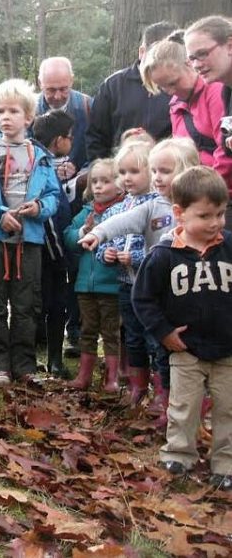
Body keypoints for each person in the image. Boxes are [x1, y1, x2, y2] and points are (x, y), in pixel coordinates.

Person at [79, 138, 199, 426]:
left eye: (165, 171)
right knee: (136, 339)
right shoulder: (153, 205)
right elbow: (125, 221)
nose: (158, 177)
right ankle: (142, 390)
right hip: (140, 289)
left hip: (176, 293)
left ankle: (168, 398)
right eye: (155, 170)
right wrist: (100, 234)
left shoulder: (192, 208)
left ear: (187, 172)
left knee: (165, 345)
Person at [132, 166, 232, 491]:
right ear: (179, 213)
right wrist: (163, 332)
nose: (215, 222)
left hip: (227, 348)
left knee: (228, 409)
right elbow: (143, 298)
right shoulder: (163, 256)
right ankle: (179, 455)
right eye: (205, 216)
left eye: (221, 213)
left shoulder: (229, 248)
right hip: (185, 348)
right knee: (183, 407)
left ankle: (226, 463)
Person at [0, 79, 61, 387]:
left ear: (28, 117)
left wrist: (39, 208)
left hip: (29, 240)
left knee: (26, 305)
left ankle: (24, 365)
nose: (5, 117)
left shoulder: (42, 156)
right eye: (0, 111)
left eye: (13, 111)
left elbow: (53, 196)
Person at [94, 140, 157, 406]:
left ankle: (161, 393)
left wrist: (138, 258)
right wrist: (106, 254)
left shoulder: (159, 206)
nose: (127, 178)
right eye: (122, 172)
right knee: (132, 337)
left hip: (152, 287)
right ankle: (137, 388)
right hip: (125, 285)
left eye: (134, 171)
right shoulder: (118, 208)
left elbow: (163, 245)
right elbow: (104, 239)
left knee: (154, 338)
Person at [141, 32, 232, 187]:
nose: (170, 92)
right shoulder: (175, 105)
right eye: (163, 87)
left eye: (173, 83)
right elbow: (180, 156)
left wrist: (205, 191)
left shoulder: (215, 91)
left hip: (218, 192)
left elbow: (226, 151)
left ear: (189, 64)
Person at [64, 159, 124, 391]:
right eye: (95, 181)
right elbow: (68, 237)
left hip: (111, 286)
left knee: (110, 332)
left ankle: (112, 378)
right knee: (87, 330)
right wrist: (83, 232)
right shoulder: (87, 212)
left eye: (105, 181)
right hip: (85, 286)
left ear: (119, 185)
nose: (98, 186)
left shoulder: (124, 211)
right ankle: (84, 376)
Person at [86, 21, 177, 160]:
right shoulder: (113, 86)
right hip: (120, 173)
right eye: (159, 56)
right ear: (142, 52)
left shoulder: (181, 86)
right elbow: (96, 137)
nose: (164, 63)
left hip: (167, 171)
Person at [31, 110, 74, 378]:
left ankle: (52, 358)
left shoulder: (40, 158)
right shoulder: (42, 164)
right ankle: (53, 361)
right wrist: (61, 255)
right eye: (69, 138)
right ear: (58, 140)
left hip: (46, 247)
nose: (71, 142)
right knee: (54, 303)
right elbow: (49, 213)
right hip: (49, 250)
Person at [184, 16, 232, 230]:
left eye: (202, 54)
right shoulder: (226, 92)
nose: (197, 65)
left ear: (229, 45)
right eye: (191, 58)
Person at [36, 57, 92, 175]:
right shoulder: (28, 111)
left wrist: (83, 174)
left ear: (71, 81)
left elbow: (99, 149)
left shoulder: (88, 107)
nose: (57, 96)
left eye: (63, 89)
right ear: (40, 83)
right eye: (50, 90)